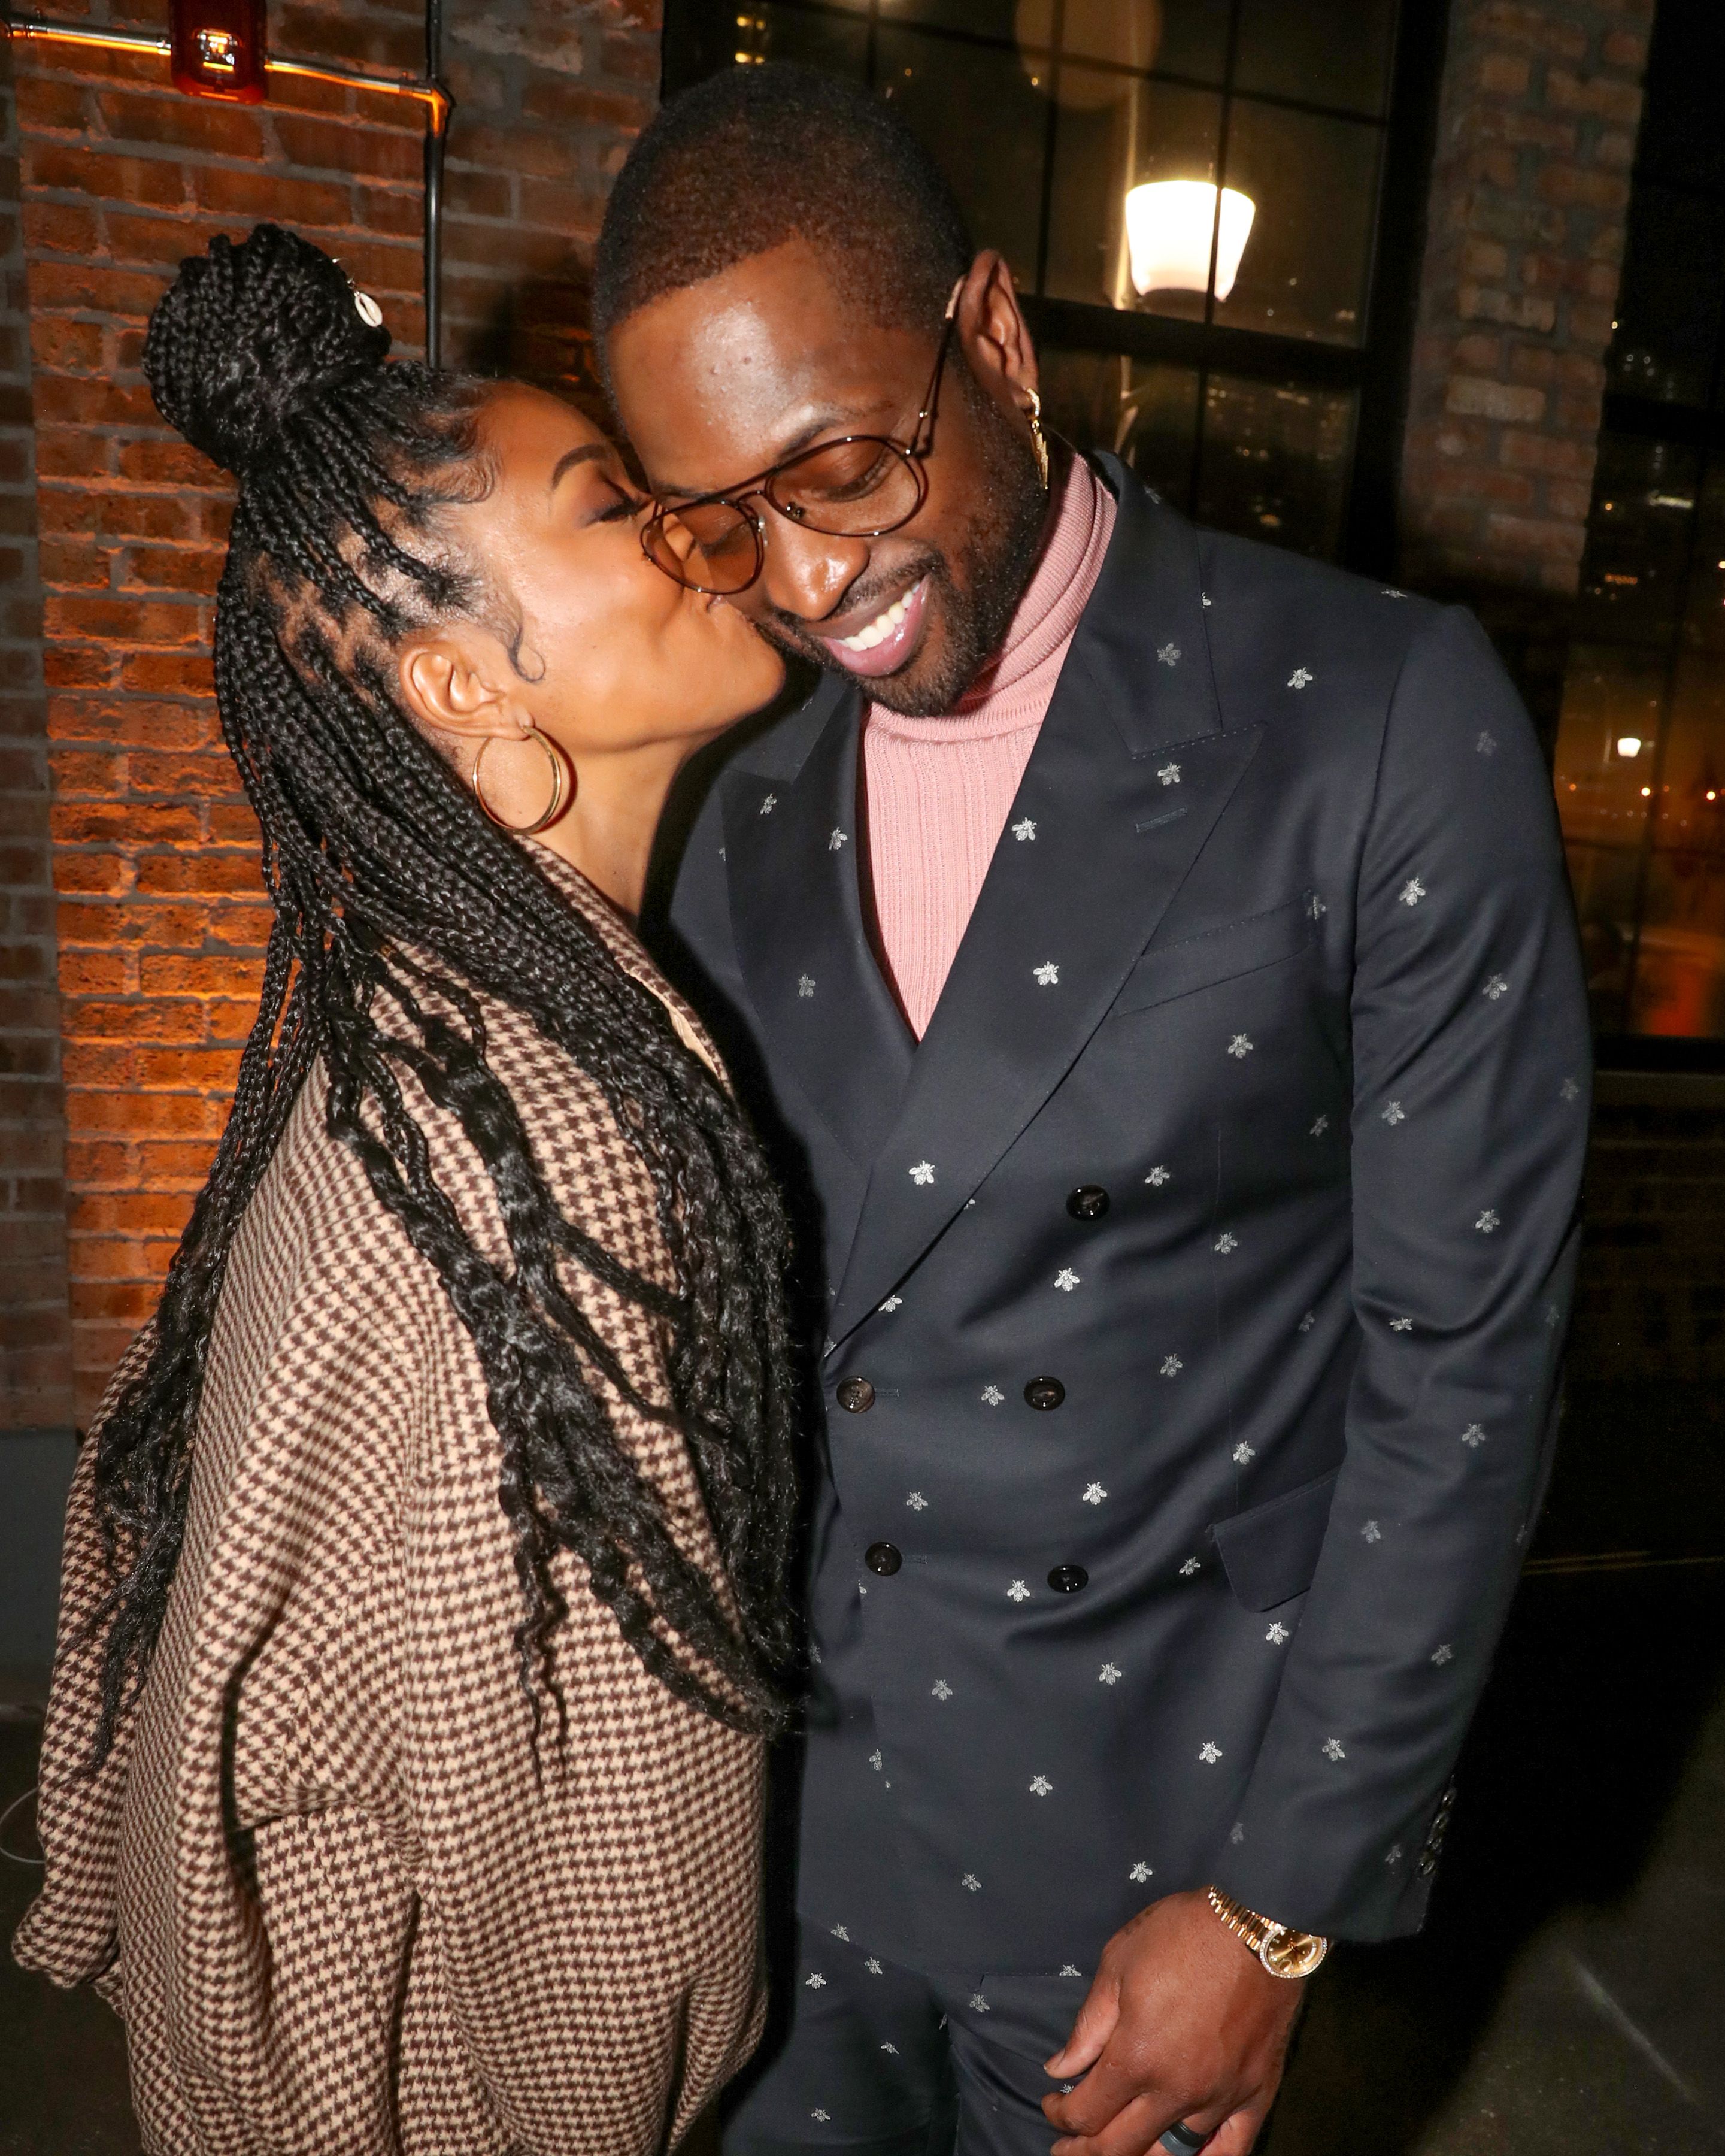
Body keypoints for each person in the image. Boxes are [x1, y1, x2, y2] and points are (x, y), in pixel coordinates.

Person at [592, 64, 1592, 2156]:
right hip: (769, 1846)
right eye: (720, 525)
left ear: (991, 334)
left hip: (1148, 1859)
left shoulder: (1370, 713)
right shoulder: (734, 794)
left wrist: (1282, 1904)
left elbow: (1462, 1368)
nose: (805, 581)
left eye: (840, 466)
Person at [15, 223, 802, 2156]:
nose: (693, 527)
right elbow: (616, 1874)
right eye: (612, 504)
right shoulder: (553, 1152)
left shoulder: (419, 1032)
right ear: (458, 685)